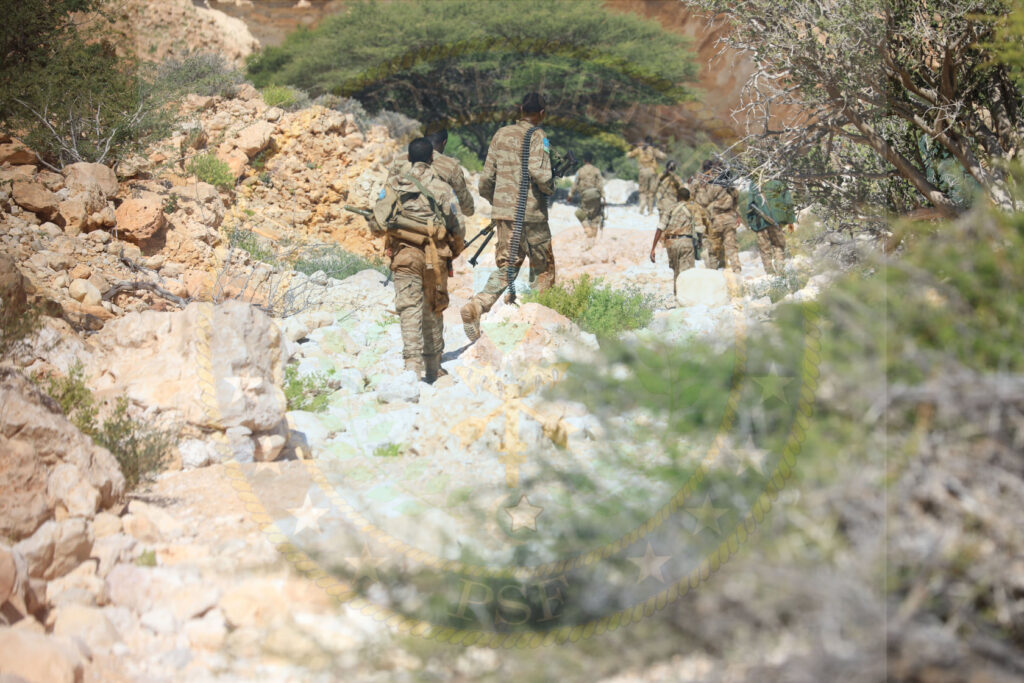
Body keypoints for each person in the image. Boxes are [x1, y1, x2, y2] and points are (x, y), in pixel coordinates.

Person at [461, 92, 554, 343]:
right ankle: (540, 324)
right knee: (543, 267)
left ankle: (478, 305)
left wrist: (499, 204)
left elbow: (486, 180)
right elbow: (539, 172)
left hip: (504, 213)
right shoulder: (538, 136)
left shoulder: (500, 134)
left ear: (519, 109)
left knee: (508, 266)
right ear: (542, 113)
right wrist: (550, 186)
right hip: (531, 214)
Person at [370, 137, 464, 382]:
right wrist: (453, 251)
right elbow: (458, 227)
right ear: (432, 159)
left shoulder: (394, 184)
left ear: (409, 158)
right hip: (437, 257)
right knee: (434, 308)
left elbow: (377, 223)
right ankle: (434, 369)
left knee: (409, 308)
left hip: (405, 256)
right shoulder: (443, 188)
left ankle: (412, 366)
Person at [649, 187, 702, 297]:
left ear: (677, 197)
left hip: (671, 243)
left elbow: (660, 228)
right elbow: (699, 228)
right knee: (686, 271)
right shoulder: (693, 208)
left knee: (676, 271)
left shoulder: (670, 208)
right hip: (686, 242)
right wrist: (700, 242)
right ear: (688, 197)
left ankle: (677, 296)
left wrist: (653, 248)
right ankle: (685, 297)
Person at [693, 159, 741, 273]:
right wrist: (737, 215)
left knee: (713, 250)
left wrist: (699, 189)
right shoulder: (730, 186)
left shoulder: (714, 185)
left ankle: (713, 273)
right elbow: (735, 202)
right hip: (729, 219)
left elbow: (704, 201)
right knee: (732, 247)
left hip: (716, 221)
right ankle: (737, 271)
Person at [746, 178, 795, 276]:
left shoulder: (753, 183)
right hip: (777, 221)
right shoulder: (778, 181)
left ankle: (771, 274)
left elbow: (750, 205)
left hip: (760, 223)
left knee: (765, 251)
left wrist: (751, 224)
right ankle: (780, 272)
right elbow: (788, 201)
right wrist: (790, 221)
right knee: (779, 247)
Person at [568, 151, 604, 248]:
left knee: (581, 213)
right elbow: (600, 183)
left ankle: (587, 230)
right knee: (596, 215)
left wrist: (570, 195)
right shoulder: (596, 170)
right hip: (596, 195)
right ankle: (593, 240)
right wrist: (603, 196)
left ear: (584, 160)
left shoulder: (579, 171)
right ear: (592, 160)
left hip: (585, 195)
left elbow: (575, 184)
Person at [626, 136, 666, 215]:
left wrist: (631, 148)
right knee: (651, 192)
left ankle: (642, 205)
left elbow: (629, 155)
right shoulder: (653, 149)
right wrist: (661, 149)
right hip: (652, 171)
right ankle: (650, 210)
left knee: (642, 191)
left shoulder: (639, 149)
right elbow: (663, 157)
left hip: (642, 171)